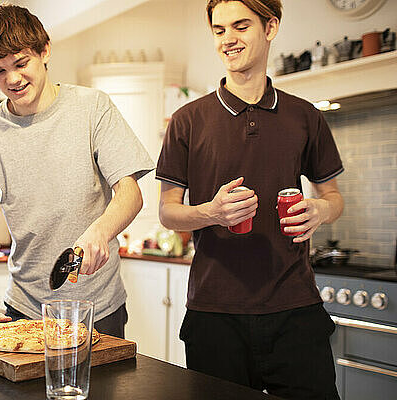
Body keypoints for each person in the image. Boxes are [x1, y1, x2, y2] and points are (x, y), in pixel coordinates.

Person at [156, 1, 343, 398]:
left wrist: (320, 210)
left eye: (240, 26)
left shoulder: (305, 116)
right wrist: (211, 212)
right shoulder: (187, 120)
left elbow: (333, 197)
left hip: (295, 307)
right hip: (214, 313)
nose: (228, 39)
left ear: (270, 27)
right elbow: (168, 212)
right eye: (219, 30)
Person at [0, 4, 154, 338]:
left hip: (98, 307)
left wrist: (100, 231)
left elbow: (130, 194)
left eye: (20, 63)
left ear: (44, 51)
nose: (12, 79)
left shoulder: (93, 107)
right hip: (25, 308)